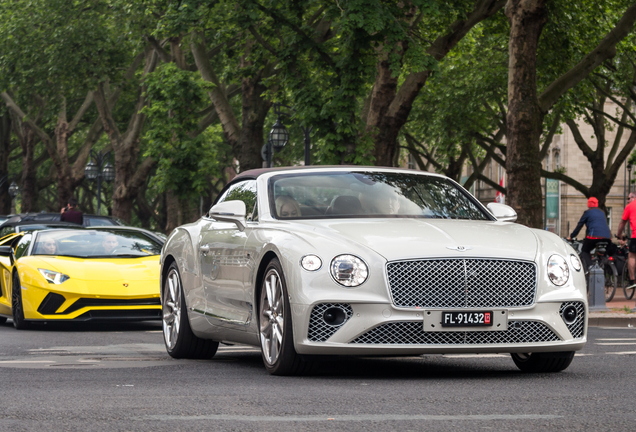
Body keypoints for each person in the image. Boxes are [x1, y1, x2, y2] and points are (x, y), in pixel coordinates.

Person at [567, 197, 611, 272]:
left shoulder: (587, 212)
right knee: (603, 253)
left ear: (589, 204)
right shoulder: (602, 212)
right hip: (607, 237)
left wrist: (572, 236)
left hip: (594, 237)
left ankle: (590, 267)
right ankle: (604, 266)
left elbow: (579, 225)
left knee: (585, 251)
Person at [616, 192, 636, 288]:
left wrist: (619, 235)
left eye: (629, 198)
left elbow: (622, 223)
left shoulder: (629, 206)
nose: (627, 200)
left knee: (632, 256)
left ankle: (632, 281)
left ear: (633, 197)